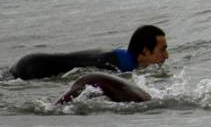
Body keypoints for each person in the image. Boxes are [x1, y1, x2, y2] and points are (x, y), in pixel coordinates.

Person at [8, 25, 168, 80]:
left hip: (31, 62)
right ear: (145, 52)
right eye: (162, 50)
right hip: (34, 67)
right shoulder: (115, 67)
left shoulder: (123, 59)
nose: (166, 56)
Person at [55, 72, 153, 105]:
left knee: (58, 106)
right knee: (58, 107)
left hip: (93, 78)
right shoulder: (142, 99)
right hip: (93, 80)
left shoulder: (143, 98)